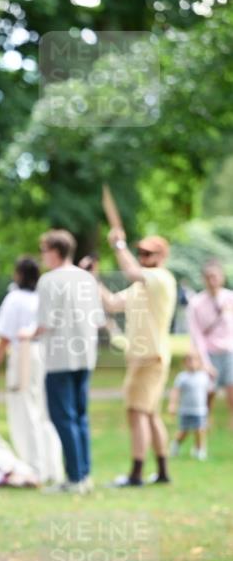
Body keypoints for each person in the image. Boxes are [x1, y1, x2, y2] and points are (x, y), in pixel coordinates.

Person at [99, 185, 177, 487]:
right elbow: (112, 303)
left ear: (160, 256)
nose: (142, 256)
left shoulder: (160, 279)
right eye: (140, 252)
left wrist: (119, 246)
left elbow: (132, 272)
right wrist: (93, 279)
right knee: (150, 414)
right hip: (145, 355)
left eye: (147, 253)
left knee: (135, 413)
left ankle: (136, 473)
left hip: (148, 356)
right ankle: (163, 471)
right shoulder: (142, 286)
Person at [33, 229, 104, 493]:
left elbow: (45, 322)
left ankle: (74, 477)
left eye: (45, 251)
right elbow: (97, 318)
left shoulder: (49, 281)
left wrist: (26, 335)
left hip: (59, 358)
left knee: (63, 417)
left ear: (55, 251)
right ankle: (83, 474)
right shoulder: (86, 278)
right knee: (80, 416)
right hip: (85, 355)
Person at [0, 256, 64, 485]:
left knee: (25, 411)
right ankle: (52, 467)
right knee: (43, 412)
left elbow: (4, 338)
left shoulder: (15, 299)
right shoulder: (43, 297)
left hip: (25, 354)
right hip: (46, 355)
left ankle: (34, 466)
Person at [187, 259, 233, 428]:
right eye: (208, 277)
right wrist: (204, 362)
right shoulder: (196, 303)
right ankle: (204, 425)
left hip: (229, 351)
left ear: (221, 277)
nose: (212, 280)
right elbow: (196, 334)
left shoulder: (230, 298)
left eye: (215, 276)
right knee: (208, 392)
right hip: (209, 352)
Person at [168, 353, 211, 460]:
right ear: (185, 363)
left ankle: (199, 450)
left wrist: (209, 409)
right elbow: (176, 391)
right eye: (189, 360)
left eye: (195, 360)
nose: (192, 363)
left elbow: (209, 393)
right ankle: (176, 445)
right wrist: (173, 404)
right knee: (184, 431)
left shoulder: (203, 377)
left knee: (200, 430)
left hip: (200, 410)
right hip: (185, 410)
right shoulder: (182, 377)